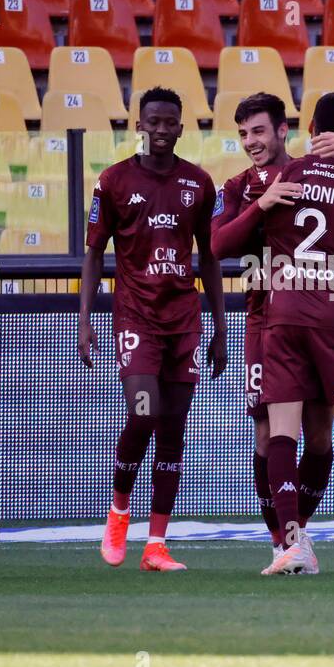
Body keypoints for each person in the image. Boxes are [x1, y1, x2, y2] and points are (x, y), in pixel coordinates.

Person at [211, 91, 334, 570]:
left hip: (286, 311)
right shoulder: (248, 186)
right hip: (281, 314)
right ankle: (300, 544)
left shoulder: (286, 177)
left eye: (259, 131)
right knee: (272, 430)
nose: (252, 142)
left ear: (294, 129)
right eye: (244, 133)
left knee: (311, 438)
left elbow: (218, 247)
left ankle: (297, 540)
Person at [79, 87, 227, 571]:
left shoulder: (199, 184)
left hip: (184, 322)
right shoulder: (113, 181)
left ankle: (157, 544)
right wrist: (85, 320)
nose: (161, 130)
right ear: (138, 125)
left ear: (182, 128)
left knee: (172, 431)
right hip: (136, 319)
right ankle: (119, 511)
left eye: (170, 122)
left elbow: (209, 257)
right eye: (153, 122)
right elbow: (94, 254)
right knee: (143, 415)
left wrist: (220, 326)